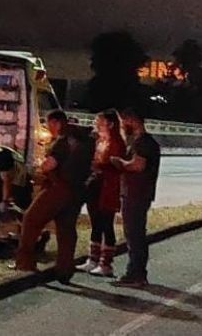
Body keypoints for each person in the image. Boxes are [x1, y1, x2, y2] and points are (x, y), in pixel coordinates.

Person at [12, 110, 93, 281]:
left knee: (31, 219)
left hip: (58, 188)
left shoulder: (62, 141)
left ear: (56, 122)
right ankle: (65, 269)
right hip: (77, 191)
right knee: (66, 229)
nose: (48, 128)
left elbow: (50, 165)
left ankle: (25, 262)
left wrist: (41, 166)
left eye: (48, 124)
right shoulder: (83, 140)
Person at [110, 108, 161, 288]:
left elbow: (137, 166)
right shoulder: (141, 142)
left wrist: (119, 162)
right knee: (134, 233)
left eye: (124, 121)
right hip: (135, 193)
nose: (123, 125)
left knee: (134, 234)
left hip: (137, 194)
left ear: (132, 120)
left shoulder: (143, 143)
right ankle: (137, 273)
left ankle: (136, 274)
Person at [76, 109, 124, 277]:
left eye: (100, 122)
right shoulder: (101, 141)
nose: (97, 125)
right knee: (95, 222)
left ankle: (106, 264)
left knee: (106, 223)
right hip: (96, 185)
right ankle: (93, 259)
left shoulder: (116, 142)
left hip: (108, 187)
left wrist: (100, 166)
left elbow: (115, 165)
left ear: (110, 124)